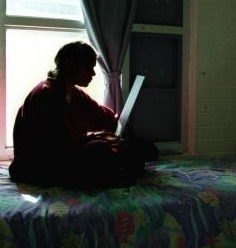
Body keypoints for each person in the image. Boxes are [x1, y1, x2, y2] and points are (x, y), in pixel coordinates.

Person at [9, 41, 154, 188]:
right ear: (70, 65)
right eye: (88, 68)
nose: (93, 73)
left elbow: (102, 115)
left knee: (135, 149)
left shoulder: (75, 94)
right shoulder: (46, 94)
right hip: (41, 167)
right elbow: (57, 148)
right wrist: (97, 138)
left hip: (67, 158)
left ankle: (119, 168)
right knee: (100, 149)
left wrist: (122, 128)